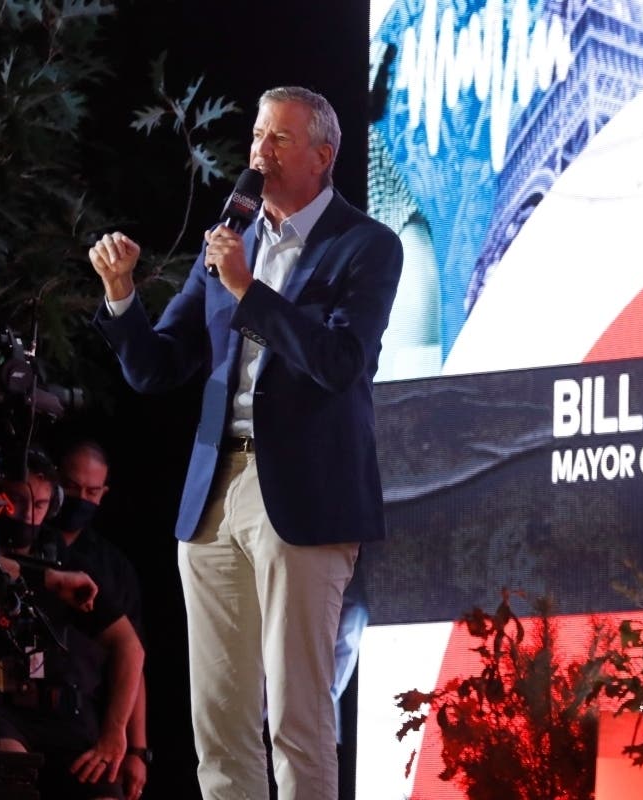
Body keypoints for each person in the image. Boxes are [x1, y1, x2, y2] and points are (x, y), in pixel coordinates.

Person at [88, 85, 403, 800]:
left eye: (280, 139)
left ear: (323, 156)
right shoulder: (232, 239)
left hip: (303, 496)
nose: (261, 152)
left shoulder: (366, 245)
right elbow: (158, 366)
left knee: (297, 717)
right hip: (213, 491)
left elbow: (340, 363)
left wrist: (248, 291)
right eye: (258, 136)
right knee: (219, 723)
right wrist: (121, 294)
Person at [0, 450, 145, 800]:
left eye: (39, 504)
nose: (27, 514)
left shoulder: (69, 560)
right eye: (16, 501)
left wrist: (117, 736)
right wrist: (48, 580)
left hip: (66, 716)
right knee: (12, 775)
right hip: (0, 710)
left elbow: (130, 646)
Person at [50, 440, 150, 800]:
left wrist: (137, 750)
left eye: (91, 492)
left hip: (84, 716)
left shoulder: (112, 567)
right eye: (71, 487)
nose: (80, 499)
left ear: (103, 493)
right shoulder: (28, 544)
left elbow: (133, 656)